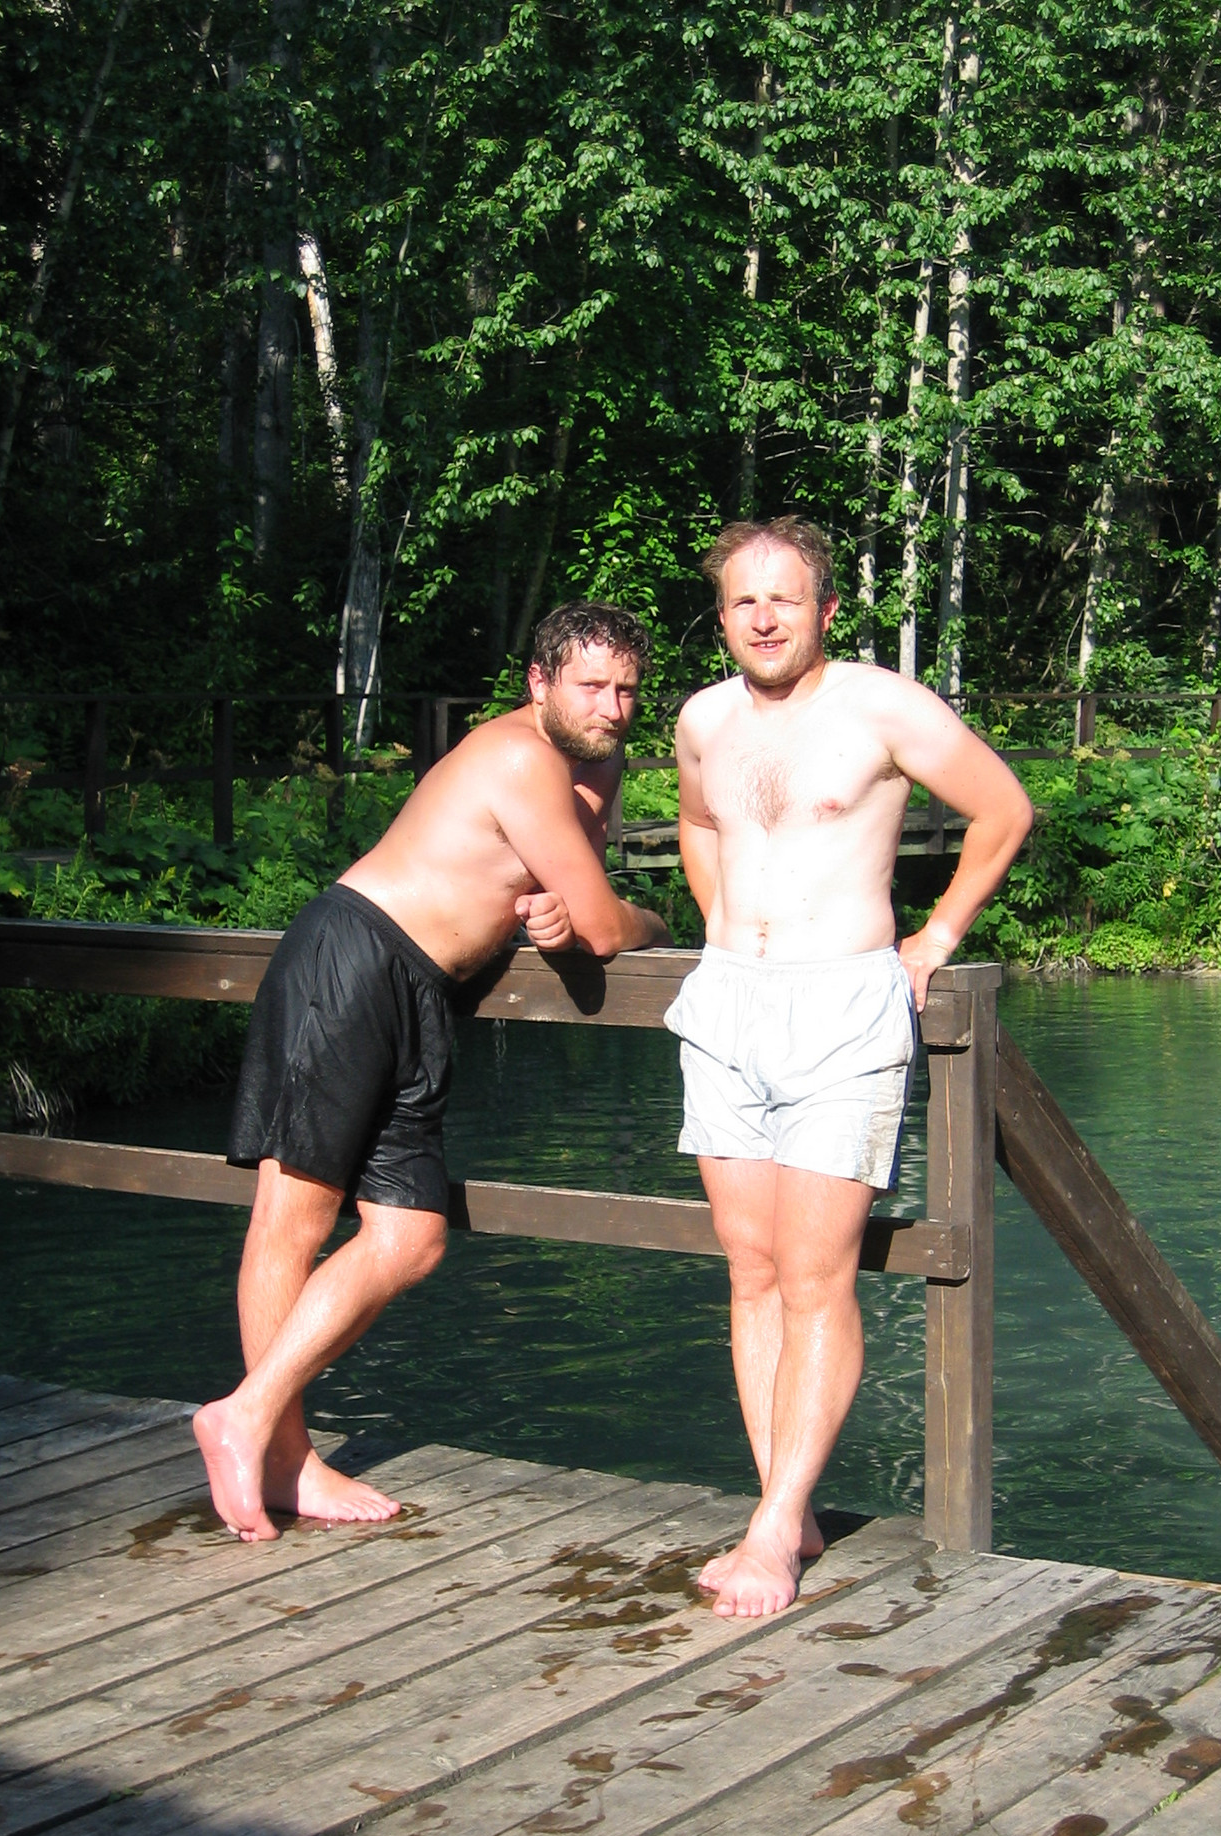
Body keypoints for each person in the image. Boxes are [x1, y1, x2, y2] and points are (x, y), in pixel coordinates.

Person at [195, 602, 670, 1541]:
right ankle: (280, 1454)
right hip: (351, 960)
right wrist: (640, 920)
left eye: (626, 690)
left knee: (410, 1237)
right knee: (291, 1221)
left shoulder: (598, 766)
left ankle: (247, 1417)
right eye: (591, 686)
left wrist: (572, 913)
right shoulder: (518, 757)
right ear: (539, 682)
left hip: (419, 990)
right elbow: (609, 923)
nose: (612, 708)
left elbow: (572, 904)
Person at [669, 517, 1033, 1618]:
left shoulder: (884, 706)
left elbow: (1003, 807)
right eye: (743, 601)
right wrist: (724, 926)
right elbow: (698, 824)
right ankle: (785, 1504)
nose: (764, 618)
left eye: (785, 598)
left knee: (816, 1273)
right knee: (749, 1266)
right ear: (722, 617)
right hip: (728, 1006)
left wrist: (936, 936)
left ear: (826, 609)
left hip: (844, 1008)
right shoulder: (703, 719)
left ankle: (773, 1529)